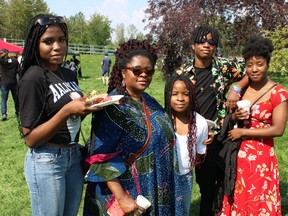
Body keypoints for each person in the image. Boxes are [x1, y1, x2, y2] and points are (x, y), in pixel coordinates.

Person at [83, 39, 184, 215]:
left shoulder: (150, 101)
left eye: (149, 71)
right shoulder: (113, 106)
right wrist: (122, 198)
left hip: (154, 186)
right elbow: (100, 156)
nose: (143, 75)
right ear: (123, 72)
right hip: (126, 193)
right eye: (137, 70)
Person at [18, 14, 99, 216]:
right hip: (47, 160)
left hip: (72, 157)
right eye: (48, 41)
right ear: (34, 44)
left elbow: (70, 118)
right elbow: (30, 138)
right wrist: (67, 111)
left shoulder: (68, 74)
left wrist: (87, 108)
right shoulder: (33, 76)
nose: (57, 46)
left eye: (61, 39)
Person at [183, 25, 248, 216]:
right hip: (196, 137)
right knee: (204, 185)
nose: (207, 45)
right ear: (193, 45)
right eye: (202, 41)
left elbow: (251, 70)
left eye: (211, 42)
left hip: (222, 134)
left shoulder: (223, 67)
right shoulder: (184, 74)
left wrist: (236, 88)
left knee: (224, 180)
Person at [220, 36, 288, 215]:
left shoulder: (278, 93)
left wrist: (242, 131)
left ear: (268, 64)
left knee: (260, 199)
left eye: (259, 64)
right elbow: (230, 117)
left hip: (262, 157)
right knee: (240, 196)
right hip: (238, 155)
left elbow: (279, 130)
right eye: (250, 65)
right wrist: (235, 115)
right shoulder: (241, 90)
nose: (254, 69)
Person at [164, 74, 213, 215]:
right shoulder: (162, 120)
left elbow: (199, 151)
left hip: (185, 176)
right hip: (163, 176)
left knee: (182, 211)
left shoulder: (200, 123)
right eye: (175, 94)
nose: (180, 98)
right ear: (168, 96)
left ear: (192, 96)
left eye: (185, 94)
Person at [0, 48, 20, 121]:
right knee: (16, 99)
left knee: (4, 99)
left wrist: (3, 55)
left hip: (4, 83)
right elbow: (19, 70)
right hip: (13, 82)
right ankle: (18, 112)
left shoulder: (2, 61)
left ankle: (4, 114)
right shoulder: (15, 61)